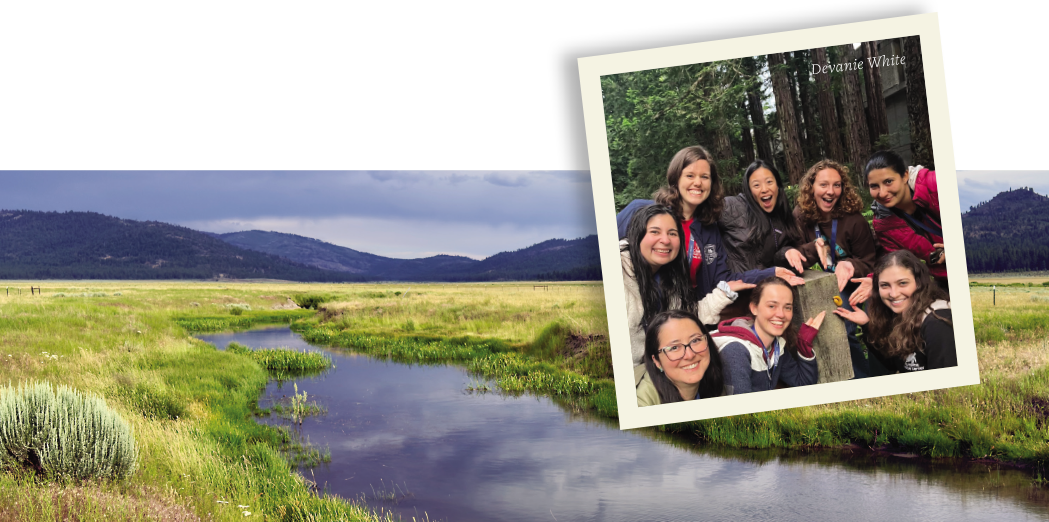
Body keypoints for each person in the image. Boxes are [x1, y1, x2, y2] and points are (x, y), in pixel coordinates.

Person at [622, 204, 745, 365]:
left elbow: (685, 317)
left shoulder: (670, 278)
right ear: (636, 235)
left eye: (672, 233)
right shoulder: (620, 271)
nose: (665, 240)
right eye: (655, 232)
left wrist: (725, 293)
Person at [793, 159, 880, 377]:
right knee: (836, 329)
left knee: (863, 326)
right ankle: (849, 377)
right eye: (823, 184)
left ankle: (873, 375)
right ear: (811, 187)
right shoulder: (801, 217)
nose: (831, 191)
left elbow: (870, 261)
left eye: (837, 185)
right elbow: (794, 254)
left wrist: (849, 265)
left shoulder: (854, 220)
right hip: (827, 282)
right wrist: (814, 249)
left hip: (860, 281)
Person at [834, 250, 956, 372]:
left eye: (902, 283)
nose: (894, 294)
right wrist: (866, 325)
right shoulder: (899, 314)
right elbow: (893, 364)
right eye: (885, 285)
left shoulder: (937, 322)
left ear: (919, 282)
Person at [710, 276, 825, 394]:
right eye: (771, 306)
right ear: (754, 308)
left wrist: (803, 344)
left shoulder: (776, 346)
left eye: (787, 307)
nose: (781, 314)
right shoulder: (736, 351)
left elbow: (803, 382)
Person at [865, 150, 947, 291]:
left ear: (905, 176)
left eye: (888, 182)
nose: (882, 193)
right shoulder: (883, 223)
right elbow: (898, 260)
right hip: (944, 281)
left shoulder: (936, 185)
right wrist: (874, 279)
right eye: (874, 186)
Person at [719, 160, 808, 277]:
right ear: (749, 190)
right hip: (733, 285)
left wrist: (787, 251)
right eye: (756, 185)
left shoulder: (782, 216)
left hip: (766, 284)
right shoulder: (732, 207)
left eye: (769, 182)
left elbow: (775, 258)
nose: (764, 189)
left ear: (777, 185)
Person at [635, 310, 725, 406]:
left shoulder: (717, 378)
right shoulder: (641, 401)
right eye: (674, 347)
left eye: (695, 340)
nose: (690, 355)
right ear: (657, 361)